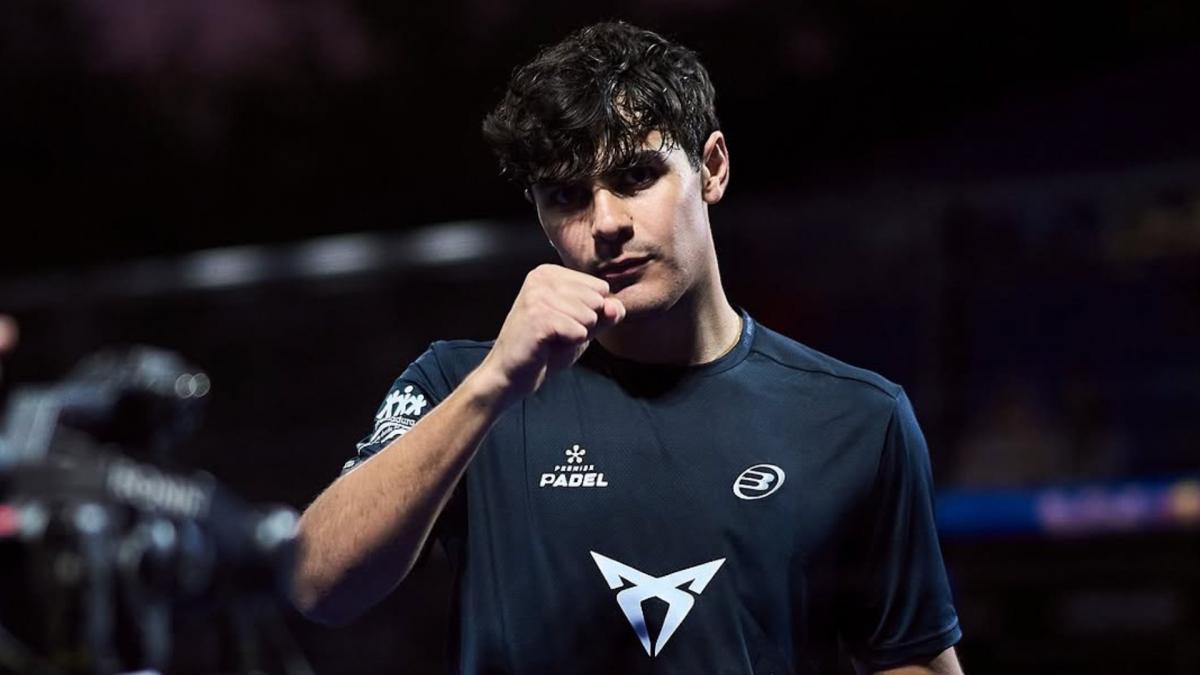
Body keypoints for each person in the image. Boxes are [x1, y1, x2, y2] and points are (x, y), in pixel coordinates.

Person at [293, 21, 964, 675]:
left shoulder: (857, 418)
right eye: (567, 195)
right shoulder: (457, 383)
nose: (606, 222)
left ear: (712, 169)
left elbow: (910, 656)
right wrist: (492, 385)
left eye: (637, 176)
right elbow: (314, 583)